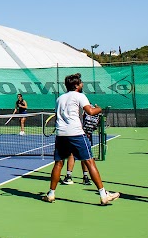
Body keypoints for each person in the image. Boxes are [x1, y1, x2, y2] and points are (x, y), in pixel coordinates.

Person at [42, 73, 119, 205]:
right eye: (81, 83)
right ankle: (103, 195)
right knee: (90, 162)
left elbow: (58, 116)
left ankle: (51, 193)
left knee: (58, 163)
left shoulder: (59, 98)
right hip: (76, 134)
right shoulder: (80, 96)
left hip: (61, 134)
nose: (82, 84)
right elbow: (90, 111)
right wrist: (99, 109)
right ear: (77, 85)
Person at [62, 112, 98, 186]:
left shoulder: (84, 109)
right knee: (74, 154)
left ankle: (83, 177)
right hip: (77, 134)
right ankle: (72, 176)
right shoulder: (81, 109)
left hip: (79, 134)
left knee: (79, 155)